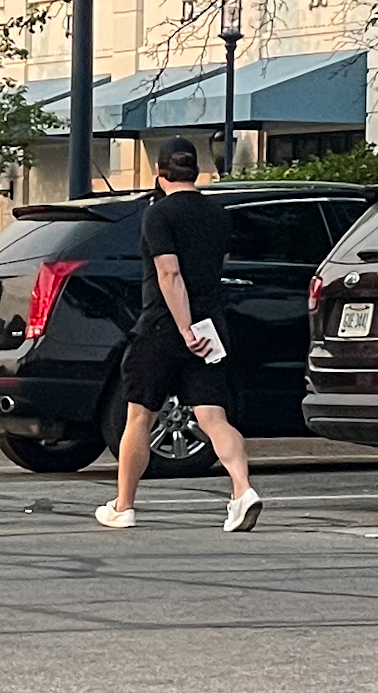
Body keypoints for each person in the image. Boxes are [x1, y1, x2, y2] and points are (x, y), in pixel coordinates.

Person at [96, 138, 263, 533]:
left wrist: (184, 327)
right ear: (197, 172)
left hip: (163, 327)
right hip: (211, 326)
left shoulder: (158, 216)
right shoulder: (219, 215)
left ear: (159, 172)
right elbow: (216, 266)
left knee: (139, 415)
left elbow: (170, 274)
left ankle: (124, 506)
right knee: (213, 415)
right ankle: (242, 491)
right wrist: (198, 326)